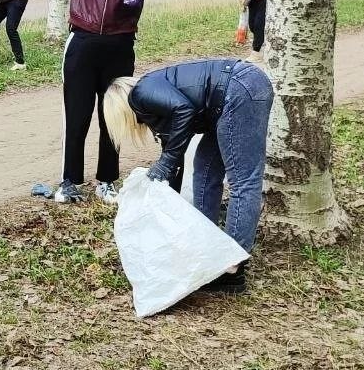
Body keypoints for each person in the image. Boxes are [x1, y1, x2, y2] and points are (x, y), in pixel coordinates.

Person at [102, 58, 273, 293]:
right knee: (204, 169)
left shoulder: (141, 94)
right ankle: (205, 249)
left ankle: (233, 267)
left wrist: (166, 162)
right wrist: (166, 206)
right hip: (230, 96)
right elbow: (175, 157)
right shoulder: (156, 105)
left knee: (243, 182)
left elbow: (185, 110)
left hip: (239, 88)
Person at [55, 0, 167, 205]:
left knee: (112, 119)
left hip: (119, 50)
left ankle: (106, 181)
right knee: (77, 118)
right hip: (82, 47)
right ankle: (69, 182)